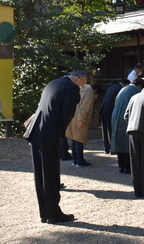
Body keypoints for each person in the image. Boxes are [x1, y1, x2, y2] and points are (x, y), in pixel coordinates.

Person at [23, 70, 86, 224]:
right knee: (50, 173)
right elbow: (67, 114)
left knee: (40, 174)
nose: (83, 86)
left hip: (35, 130)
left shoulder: (53, 82)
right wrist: (60, 134)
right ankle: (53, 214)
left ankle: (44, 212)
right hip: (49, 132)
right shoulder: (72, 88)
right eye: (84, 83)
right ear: (79, 79)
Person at [111, 78, 143, 174]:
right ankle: (128, 167)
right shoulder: (136, 91)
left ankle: (121, 166)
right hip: (127, 117)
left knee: (119, 141)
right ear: (140, 86)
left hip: (116, 115)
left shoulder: (123, 89)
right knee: (128, 143)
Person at [66, 82, 97, 167]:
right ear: (96, 91)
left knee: (74, 139)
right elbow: (85, 108)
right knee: (79, 139)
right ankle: (80, 160)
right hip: (80, 118)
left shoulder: (79, 89)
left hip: (72, 116)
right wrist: (81, 121)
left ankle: (75, 160)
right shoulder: (89, 93)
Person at [100, 79, 129, 154]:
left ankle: (107, 148)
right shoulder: (121, 89)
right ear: (125, 84)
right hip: (111, 109)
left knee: (105, 129)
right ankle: (113, 148)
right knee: (112, 129)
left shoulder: (112, 87)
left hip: (104, 108)